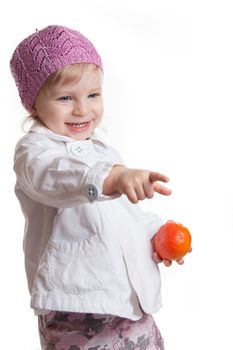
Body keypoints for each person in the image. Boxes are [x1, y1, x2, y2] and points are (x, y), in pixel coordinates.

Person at [10, 25, 183, 350]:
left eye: (93, 95)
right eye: (65, 98)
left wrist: (156, 235)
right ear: (33, 104)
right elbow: (54, 177)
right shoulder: (34, 152)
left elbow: (125, 215)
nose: (82, 109)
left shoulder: (104, 152)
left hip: (127, 304)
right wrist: (109, 178)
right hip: (77, 308)